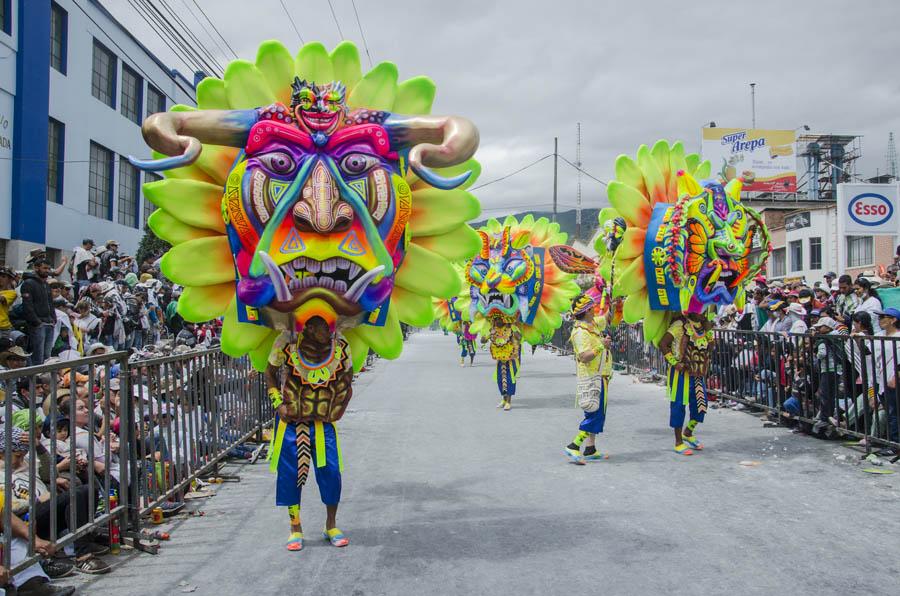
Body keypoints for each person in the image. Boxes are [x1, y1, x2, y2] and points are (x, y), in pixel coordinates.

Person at [265, 319, 351, 552]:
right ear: (310, 327)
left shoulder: (340, 344)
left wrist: (338, 407)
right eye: (322, 326)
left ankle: (331, 525)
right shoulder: (286, 341)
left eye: (328, 325)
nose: (327, 330)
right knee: (290, 475)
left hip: (323, 424)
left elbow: (346, 377)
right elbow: (270, 373)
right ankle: (295, 528)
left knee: (331, 472)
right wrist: (278, 404)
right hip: (292, 424)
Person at [564, 295, 612, 464]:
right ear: (586, 311)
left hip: (601, 375)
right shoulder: (580, 332)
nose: (594, 309)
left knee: (598, 412)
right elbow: (584, 356)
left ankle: (590, 448)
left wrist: (613, 302)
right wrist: (601, 346)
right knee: (594, 413)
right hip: (591, 377)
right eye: (591, 308)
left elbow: (607, 317)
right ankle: (574, 445)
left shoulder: (592, 325)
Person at [658, 312, 714, 455]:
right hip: (680, 373)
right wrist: (674, 363)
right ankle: (678, 442)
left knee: (702, 405)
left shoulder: (704, 326)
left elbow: (711, 347)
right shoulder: (679, 325)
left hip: (697, 373)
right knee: (679, 405)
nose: (704, 312)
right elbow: (663, 344)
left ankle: (688, 432)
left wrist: (709, 328)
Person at [20, 260, 56, 366]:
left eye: (48, 269)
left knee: (47, 358)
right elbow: (27, 306)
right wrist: (36, 322)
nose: (47, 271)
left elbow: (51, 303)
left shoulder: (46, 284)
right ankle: (36, 381)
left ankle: (44, 381)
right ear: (36, 268)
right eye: (44, 268)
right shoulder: (29, 283)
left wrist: (53, 318)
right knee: (38, 358)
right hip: (38, 324)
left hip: (49, 323)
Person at [0, 267, 17, 341]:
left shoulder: (11, 293)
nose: (0, 278)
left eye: (3, 276)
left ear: (10, 279)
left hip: (2, 328)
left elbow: (2, 299)